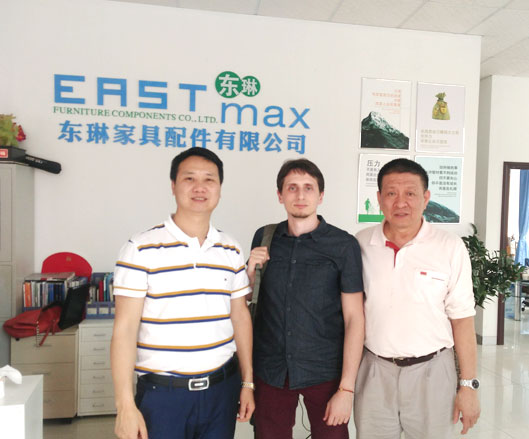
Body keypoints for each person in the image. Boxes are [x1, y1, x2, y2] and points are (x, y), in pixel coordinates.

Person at [111, 148, 254, 439]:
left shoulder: (231, 249)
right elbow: (124, 329)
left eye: (209, 179)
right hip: (163, 397)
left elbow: (240, 316)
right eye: (189, 178)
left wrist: (247, 382)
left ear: (220, 189)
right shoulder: (140, 248)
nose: (200, 187)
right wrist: (124, 405)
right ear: (173, 186)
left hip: (221, 391)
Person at [354, 158, 480, 439]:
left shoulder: (449, 247)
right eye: (391, 193)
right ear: (379, 199)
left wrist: (468, 386)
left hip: (433, 372)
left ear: (426, 198)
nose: (401, 202)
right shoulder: (361, 244)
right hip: (374, 371)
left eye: (410, 193)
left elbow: (462, 320)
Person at [247, 158, 365, 439]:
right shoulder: (264, 237)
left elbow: (354, 318)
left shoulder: (343, 245)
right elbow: (249, 300)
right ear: (280, 195)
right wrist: (250, 272)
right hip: (272, 369)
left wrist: (346, 388)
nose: (300, 195)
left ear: (320, 195)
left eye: (308, 188)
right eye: (292, 188)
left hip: (325, 370)